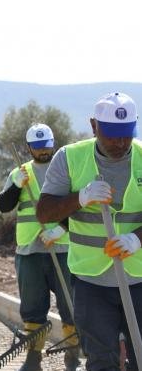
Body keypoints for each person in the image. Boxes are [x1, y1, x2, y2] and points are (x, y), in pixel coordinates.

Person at [37, 92, 142, 370]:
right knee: (101, 361)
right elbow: (44, 212)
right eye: (111, 134)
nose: (120, 143)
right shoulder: (70, 158)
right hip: (91, 282)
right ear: (94, 126)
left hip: (139, 279)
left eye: (126, 134)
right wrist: (80, 198)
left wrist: (136, 239)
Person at [0, 123, 79, 371]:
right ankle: (33, 359)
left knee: (70, 304)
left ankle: (72, 357)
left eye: (46, 146)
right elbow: (3, 205)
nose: (43, 151)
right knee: (32, 306)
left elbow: (79, 205)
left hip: (63, 248)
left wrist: (60, 229)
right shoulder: (19, 172)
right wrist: (16, 186)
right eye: (37, 147)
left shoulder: (65, 170)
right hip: (30, 251)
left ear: (53, 143)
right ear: (29, 147)